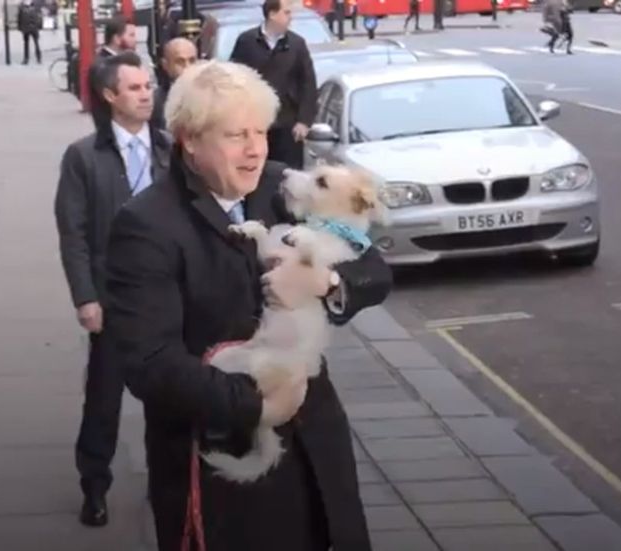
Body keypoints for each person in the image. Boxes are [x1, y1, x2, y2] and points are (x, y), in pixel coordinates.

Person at [103, 60, 391, 550]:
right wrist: (258, 406)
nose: (256, 149)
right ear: (190, 140)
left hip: (318, 451)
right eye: (237, 135)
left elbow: (376, 271)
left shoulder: (281, 188)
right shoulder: (145, 224)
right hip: (224, 467)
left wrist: (323, 280)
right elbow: (149, 363)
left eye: (260, 132)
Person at [54, 52, 171, 528]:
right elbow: (73, 232)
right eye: (135, 88)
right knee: (104, 399)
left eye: (149, 86)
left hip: (167, 297)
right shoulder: (84, 156)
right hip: (113, 298)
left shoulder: (169, 148)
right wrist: (85, 297)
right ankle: (95, 485)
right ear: (109, 96)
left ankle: (167, 482)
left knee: (170, 397)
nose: (147, 94)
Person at [230, 0, 317, 170]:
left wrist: (304, 121)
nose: (291, 18)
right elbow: (235, 79)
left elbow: (308, 83)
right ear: (272, 14)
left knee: (288, 174)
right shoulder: (247, 41)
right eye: (286, 13)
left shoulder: (296, 44)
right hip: (255, 123)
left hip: (288, 124)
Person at [151, 37, 197, 129]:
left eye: (192, 61)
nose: (187, 67)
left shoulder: (211, 94)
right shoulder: (155, 102)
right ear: (165, 65)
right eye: (180, 62)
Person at [18, 0, 44, 64]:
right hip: (30, 28)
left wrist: (20, 27)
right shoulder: (25, 7)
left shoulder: (23, 8)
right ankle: (32, 58)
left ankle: (33, 58)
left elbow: (19, 18)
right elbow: (19, 18)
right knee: (31, 43)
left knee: (33, 43)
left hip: (31, 28)